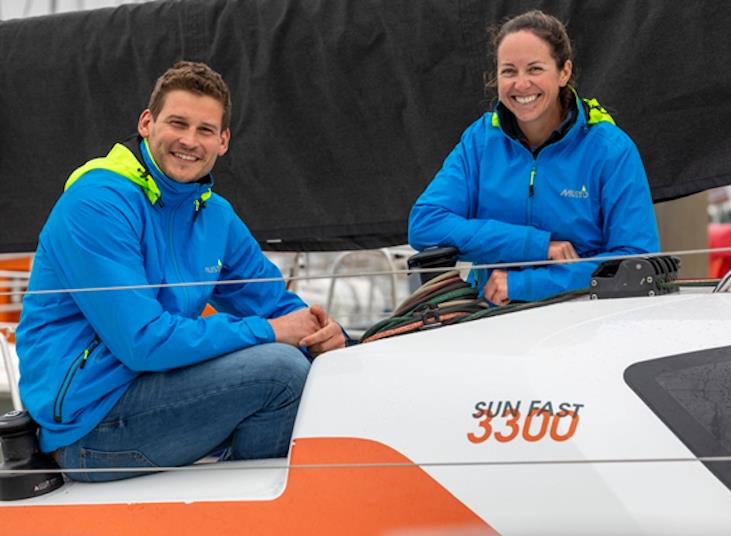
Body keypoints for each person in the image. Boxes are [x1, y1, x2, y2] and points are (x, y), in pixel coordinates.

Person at [16, 61, 345, 482]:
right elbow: (142, 342)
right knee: (282, 372)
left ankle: (242, 502)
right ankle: (242, 510)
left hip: (158, 392)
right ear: (147, 123)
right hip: (88, 426)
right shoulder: (97, 203)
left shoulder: (214, 215)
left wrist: (329, 336)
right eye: (177, 123)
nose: (189, 141)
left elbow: (274, 302)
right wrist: (271, 331)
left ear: (223, 141)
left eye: (205, 130)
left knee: (311, 367)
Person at [408, 10, 660, 305]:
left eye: (535, 69)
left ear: (564, 72)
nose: (522, 84)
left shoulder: (611, 150)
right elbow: (425, 223)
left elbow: (636, 259)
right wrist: (534, 245)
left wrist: (527, 284)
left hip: (585, 325)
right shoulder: (480, 141)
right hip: (491, 321)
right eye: (509, 71)